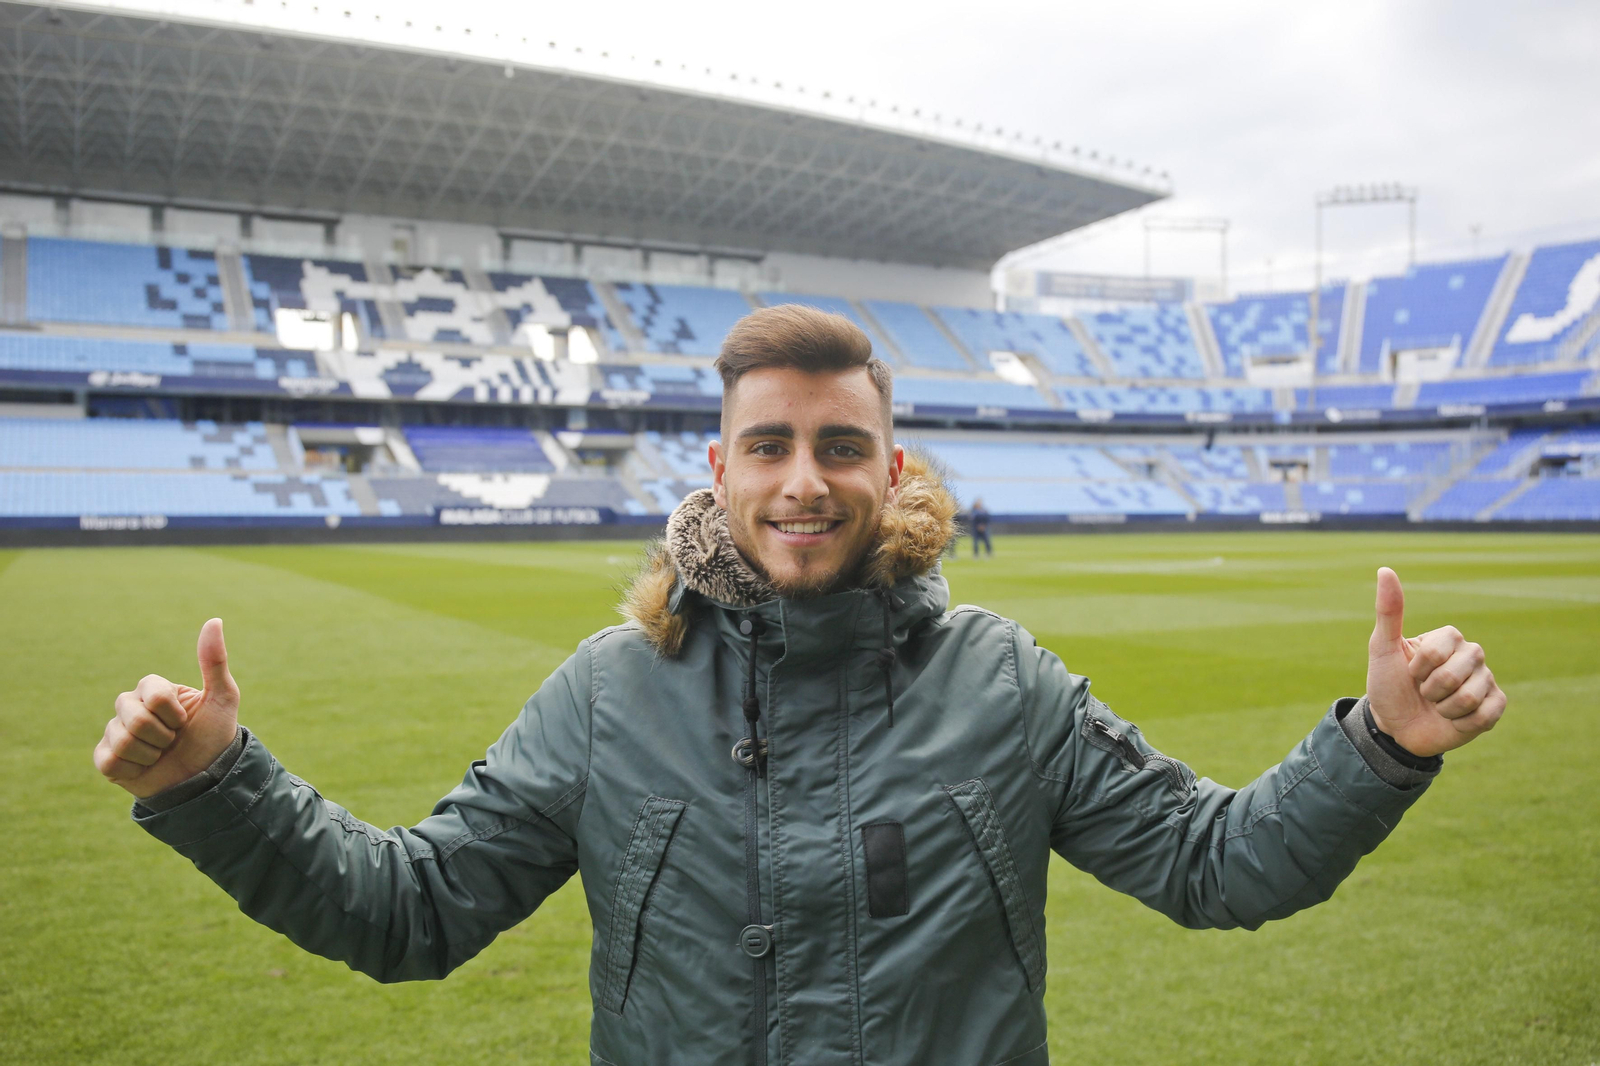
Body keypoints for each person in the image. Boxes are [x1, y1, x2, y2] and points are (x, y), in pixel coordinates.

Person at [95, 306, 1506, 1066]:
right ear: (719, 470)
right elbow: (408, 911)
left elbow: (1218, 864)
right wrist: (219, 787)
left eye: (840, 444)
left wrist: (1377, 742)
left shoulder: (998, 683)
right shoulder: (609, 694)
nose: (803, 479)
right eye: (767, 444)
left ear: (889, 470)